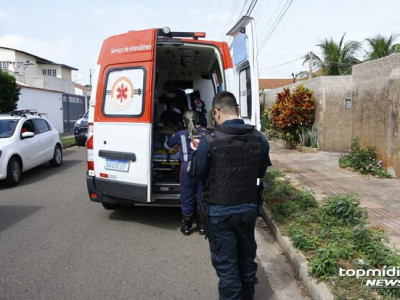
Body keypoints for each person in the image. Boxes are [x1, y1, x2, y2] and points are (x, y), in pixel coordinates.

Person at [191, 91, 271, 300]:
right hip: (247, 210)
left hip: (220, 213)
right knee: (246, 262)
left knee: (228, 270)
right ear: (238, 110)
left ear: (216, 112)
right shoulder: (259, 138)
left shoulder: (208, 141)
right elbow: (260, 172)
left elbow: (196, 174)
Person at [164, 110, 206, 236]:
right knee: (202, 196)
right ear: (198, 121)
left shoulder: (180, 134)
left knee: (186, 196)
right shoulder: (207, 133)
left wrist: (176, 148)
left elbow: (167, 145)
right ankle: (202, 227)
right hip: (203, 167)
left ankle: (186, 227)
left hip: (187, 168)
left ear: (183, 121)